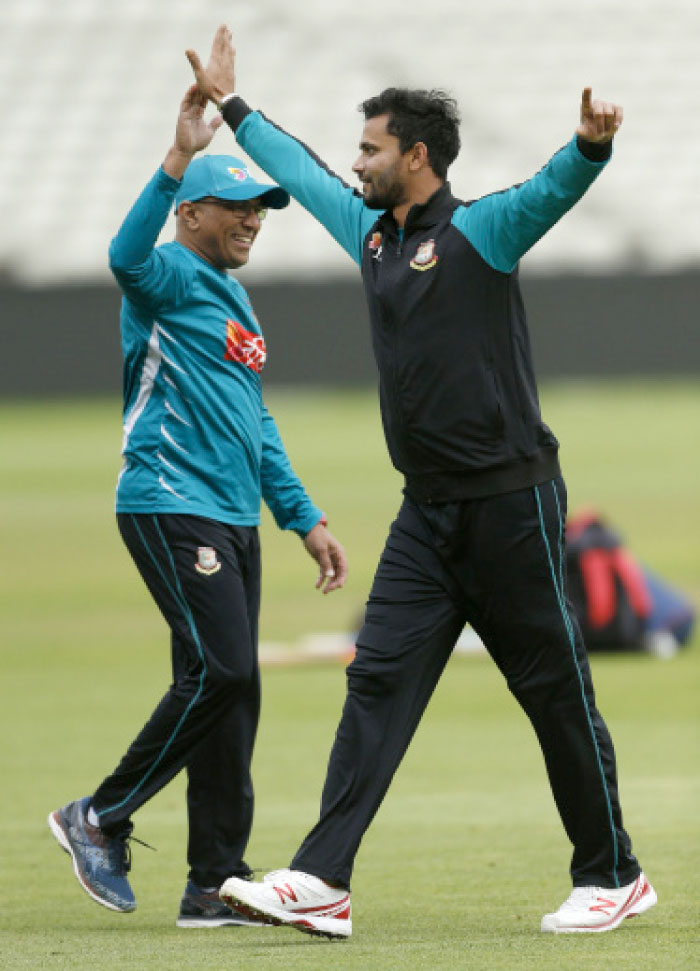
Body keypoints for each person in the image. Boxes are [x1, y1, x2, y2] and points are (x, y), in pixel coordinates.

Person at [184, 26, 657, 938]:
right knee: (377, 682)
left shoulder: (480, 230)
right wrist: (233, 105)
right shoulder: (369, 235)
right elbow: (301, 164)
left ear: (417, 157)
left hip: (511, 504)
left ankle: (613, 873)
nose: (356, 161)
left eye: (371, 148)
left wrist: (591, 145)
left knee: (555, 692)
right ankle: (323, 880)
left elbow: (551, 190)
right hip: (426, 511)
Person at [47, 83, 348, 929]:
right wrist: (177, 156)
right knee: (224, 669)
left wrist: (304, 517)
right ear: (190, 214)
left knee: (229, 688)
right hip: (167, 502)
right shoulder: (165, 272)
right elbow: (121, 254)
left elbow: (255, 420)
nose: (254, 219)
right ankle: (98, 816)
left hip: (231, 517)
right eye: (238, 206)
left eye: (262, 209)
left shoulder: (236, 299)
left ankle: (213, 882)